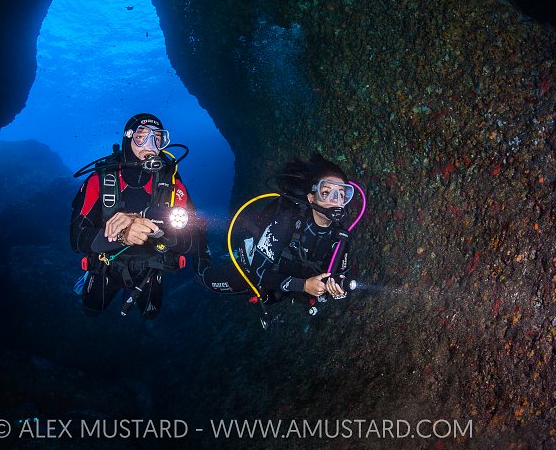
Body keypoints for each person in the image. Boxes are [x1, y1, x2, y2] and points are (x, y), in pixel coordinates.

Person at [70, 112, 209, 318]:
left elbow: (192, 241)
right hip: (105, 267)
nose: (150, 145)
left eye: (158, 138)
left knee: (150, 316)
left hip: (151, 270)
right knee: (91, 310)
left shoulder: (172, 185)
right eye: (141, 136)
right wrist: (121, 234)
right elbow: (76, 238)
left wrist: (149, 223)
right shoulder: (98, 180)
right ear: (127, 138)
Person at [196, 152, 359, 323]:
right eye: (326, 192)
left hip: (284, 283)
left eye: (341, 193)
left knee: (275, 297)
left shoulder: (340, 237)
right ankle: (200, 237)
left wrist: (337, 288)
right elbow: (257, 273)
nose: (335, 200)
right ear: (311, 198)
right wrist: (304, 285)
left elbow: (341, 275)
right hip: (252, 269)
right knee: (206, 280)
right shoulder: (287, 221)